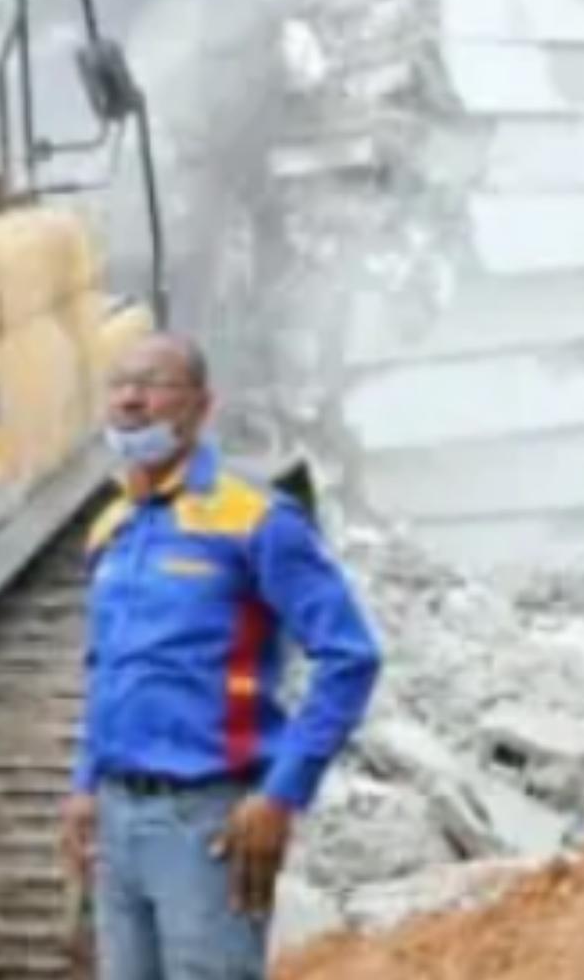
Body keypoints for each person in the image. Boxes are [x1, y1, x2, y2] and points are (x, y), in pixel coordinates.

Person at [63, 332, 383, 980]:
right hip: (117, 822)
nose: (129, 399)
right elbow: (106, 666)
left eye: (152, 384)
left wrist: (280, 795)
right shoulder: (113, 527)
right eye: (119, 384)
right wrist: (83, 783)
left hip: (206, 823)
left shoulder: (256, 519)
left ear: (199, 407)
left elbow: (349, 657)